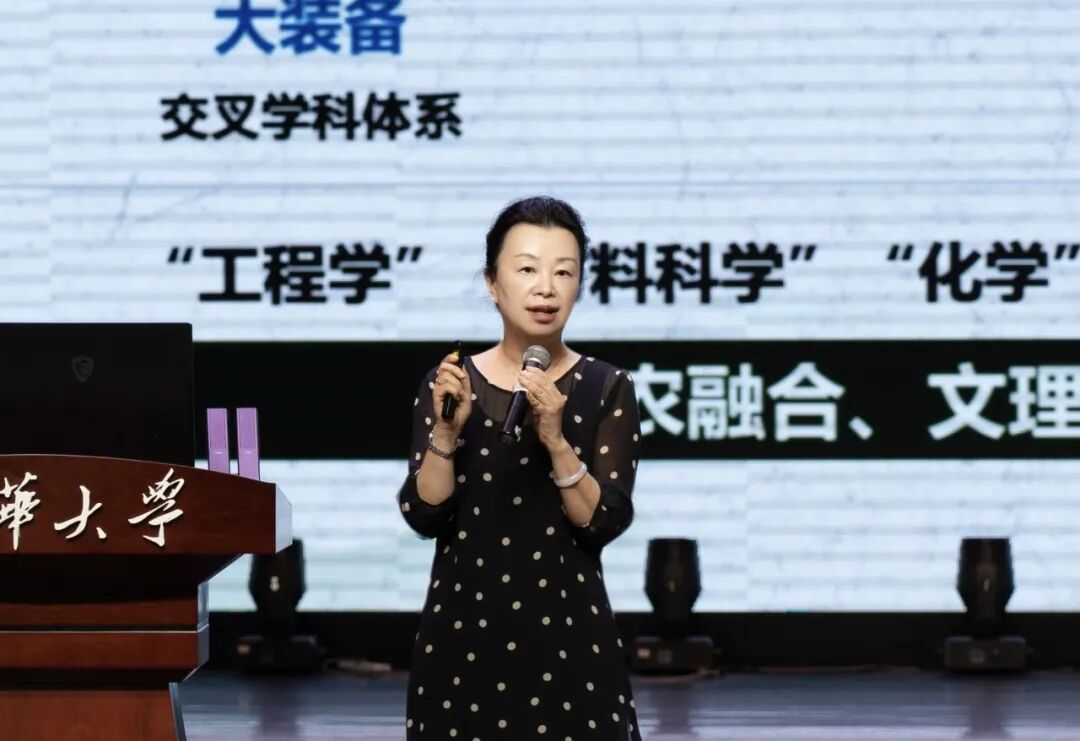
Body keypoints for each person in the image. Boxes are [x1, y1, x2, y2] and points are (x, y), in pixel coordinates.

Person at [397, 196, 643, 740]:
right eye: (527, 269)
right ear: (492, 283)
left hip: (571, 639)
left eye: (564, 272)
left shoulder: (607, 386)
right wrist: (446, 433)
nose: (546, 288)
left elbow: (603, 521)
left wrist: (555, 440)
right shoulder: (450, 383)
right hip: (462, 638)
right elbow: (423, 514)